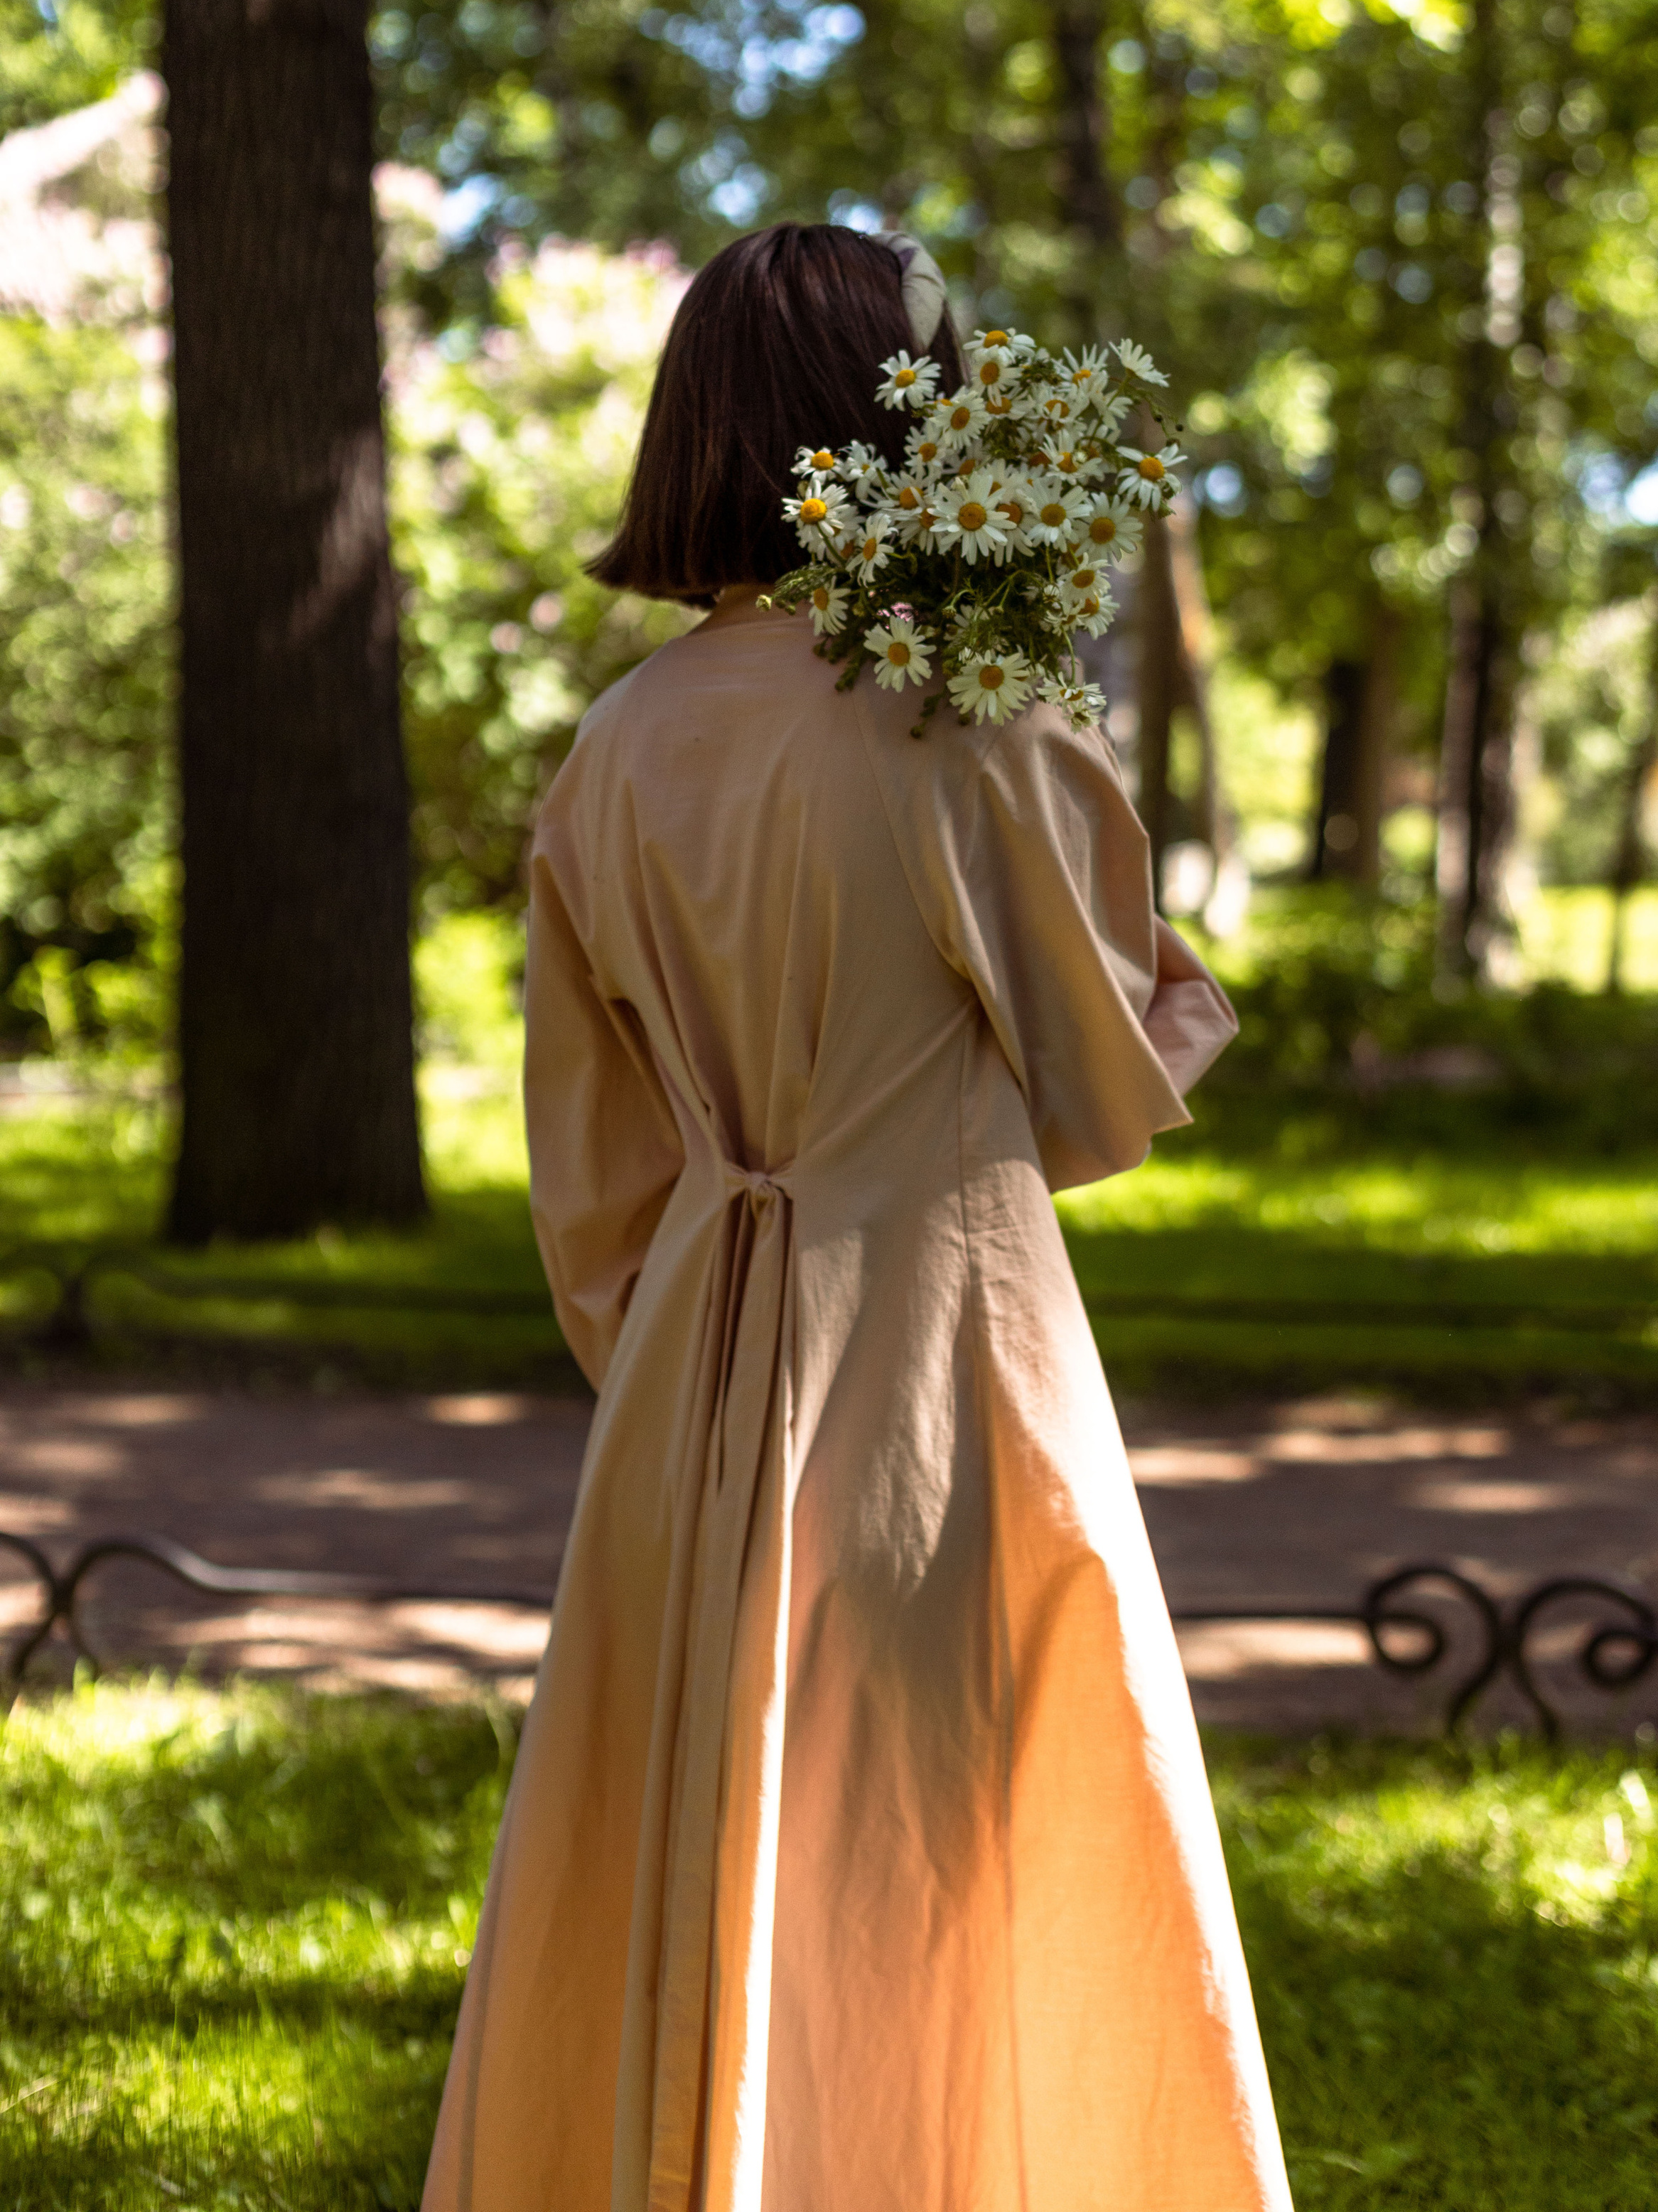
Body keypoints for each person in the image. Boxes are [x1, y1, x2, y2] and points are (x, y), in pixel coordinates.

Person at [423, 223, 1293, 2212]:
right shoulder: (963, 717)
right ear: (893, 419)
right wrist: (1180, 986)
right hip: (942, 1370)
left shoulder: (616, 753)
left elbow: (594, 1202)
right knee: (941, 1865)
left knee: (701, 1843)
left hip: (682, 1398)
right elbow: (1097, 1094)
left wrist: (680, 1369)